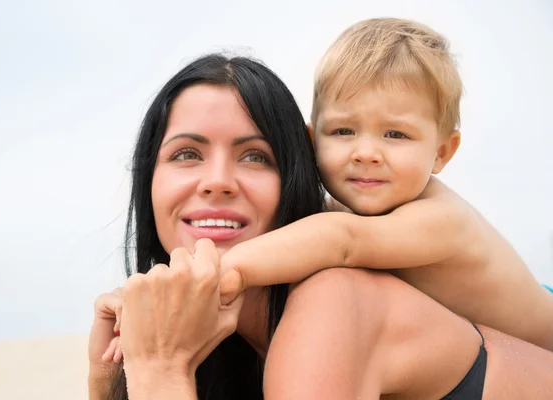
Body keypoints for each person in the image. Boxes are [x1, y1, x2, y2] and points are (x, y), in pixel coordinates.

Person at [88, 53, 553, 400]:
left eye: (255, 157)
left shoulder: (334, 299)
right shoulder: (229, 344)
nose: (216, 182)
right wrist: (107, 379)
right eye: (187, 154)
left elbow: (342, 241)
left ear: (297, 175)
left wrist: (162, 369)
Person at [219, 18, 553, 351]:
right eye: (343, 131)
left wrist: (227, 270)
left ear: (441, 153)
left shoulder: (442, 220)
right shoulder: (344, 212)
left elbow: (342, 241)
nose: (366, 153)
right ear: (312, 141)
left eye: (396, 135)